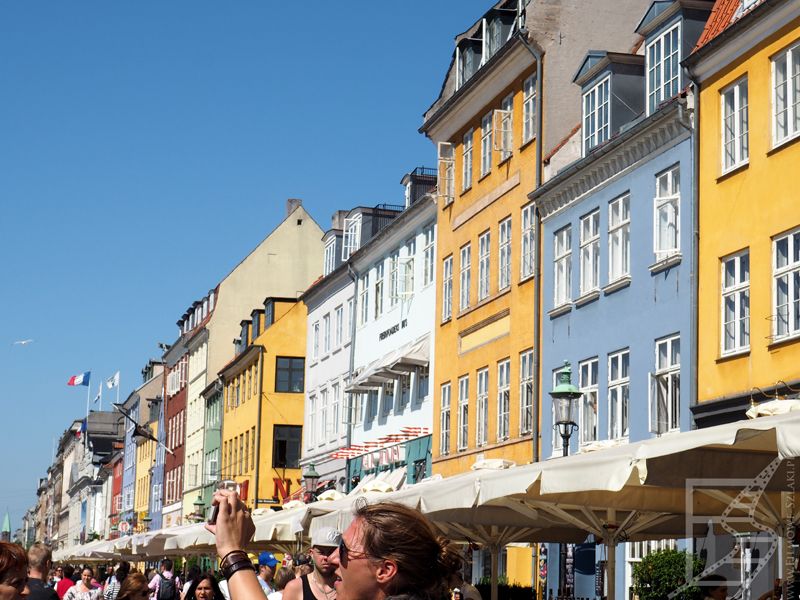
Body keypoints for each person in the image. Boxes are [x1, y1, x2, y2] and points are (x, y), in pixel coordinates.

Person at [282, 526, 340, 600]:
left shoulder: (349, 588)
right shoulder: (295, 588)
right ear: (311, 553)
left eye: (331, 552)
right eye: (321, 552)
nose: (326, 557)